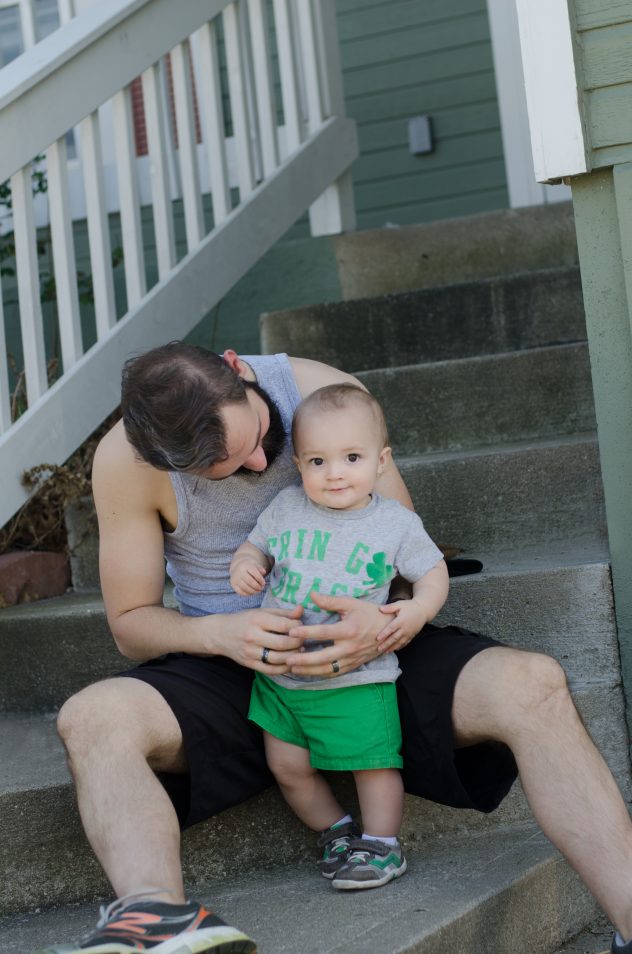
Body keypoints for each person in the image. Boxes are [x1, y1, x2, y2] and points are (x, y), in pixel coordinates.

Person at [46, 342, 632, 954]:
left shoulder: (324, 389)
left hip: (369, 651)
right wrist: (217, 633)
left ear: (236, 369)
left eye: (258, 439)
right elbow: (131, 623)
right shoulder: (127, 459)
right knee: (91, 718)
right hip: (236, 666)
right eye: (223, 468)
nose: (254, 465)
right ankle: (155, 923)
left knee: (532, 683)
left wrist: (382, 621)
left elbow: (404, 549)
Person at [230, 383, 448, 890]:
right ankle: (338, 832)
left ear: (381, 461)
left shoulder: (393, 523)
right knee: (287, 766)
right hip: (281, 677)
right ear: (299, 465)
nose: (335, 474)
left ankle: (384, 845)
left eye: (352, 457)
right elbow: (255, 546)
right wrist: (246, 563)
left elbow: (432, 572)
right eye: (317, 461)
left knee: (372, 765)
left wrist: (415, 611)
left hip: (355, 676)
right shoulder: (285, 507)